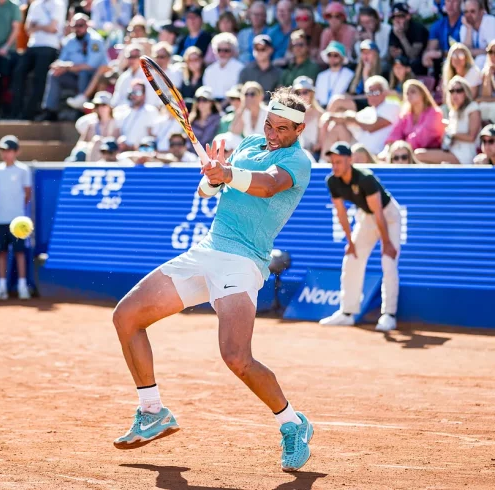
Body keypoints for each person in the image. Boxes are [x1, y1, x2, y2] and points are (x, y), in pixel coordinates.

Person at [111, 86, 314, 473]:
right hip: (207, 250)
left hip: (242, 262)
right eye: (269, 125)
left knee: (237, 358)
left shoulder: (297, 161)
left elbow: (268, 184)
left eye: (283, 129)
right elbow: (207, 192)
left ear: (299, 130)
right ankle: (152, 410)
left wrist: (228, 173)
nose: (273, 135)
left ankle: (292, 423)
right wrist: (213, 177)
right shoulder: (250, 143)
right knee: (126, 317)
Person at [321, 141, 401, 333]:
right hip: (367, 218)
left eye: (339, 161)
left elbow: (379, 213)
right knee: (351, 259)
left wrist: (386, 242)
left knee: (388, 262)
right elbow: (341, 213)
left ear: (349, 160)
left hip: (388, 216)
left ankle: (388, 315)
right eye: (332, 162)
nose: (335, 166)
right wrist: (350, 242)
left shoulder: (365, 178)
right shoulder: (332, 181)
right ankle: (347, 313)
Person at [0, 135, 32, 301]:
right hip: (1, 219)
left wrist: (17, 210)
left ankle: (22, 286)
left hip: (18, 221)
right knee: (1, 252)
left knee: (20, 252)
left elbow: (27, 193)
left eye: (9, 150)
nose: (5, 154)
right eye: (3, 151)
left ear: (16, 152)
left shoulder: (23, 170)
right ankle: (1, 287)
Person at [320, 75, 401, 157]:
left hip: (374, 155)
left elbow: (371, 127)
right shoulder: (368, 110)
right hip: (357, 150)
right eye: (369, 92)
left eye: (375, 92)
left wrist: (352, 119)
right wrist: (330, 117)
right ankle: (324, 160)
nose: (371, 95)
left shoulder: (392, 106)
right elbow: (348, 119)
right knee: (337, 127)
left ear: (385, 92)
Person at [45, 14, 107, 116]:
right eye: (75, 26)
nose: (78, 28)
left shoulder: (95, 40)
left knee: (83, 72)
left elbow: (91, 65)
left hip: (93, 77)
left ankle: (81, 108)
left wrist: (69, 67)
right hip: (73, 75)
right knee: (53, 74)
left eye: (81, 25)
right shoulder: (69, 41)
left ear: (87, 26)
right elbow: (62, 60)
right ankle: (50, 110)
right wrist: (58, 66)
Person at [14, 0, 66, 120]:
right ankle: (15, 110)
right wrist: (43, 26)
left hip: (50, 47)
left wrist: (37, 26)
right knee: (18, 72)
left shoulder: (58, 4)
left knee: (39, 78)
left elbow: (53, 28)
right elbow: (28, 28)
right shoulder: (35, 4)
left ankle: (31, 113)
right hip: (32, 46)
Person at [414, 76, 481, 164]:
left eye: (459, 90)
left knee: (419, 155)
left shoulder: (473, 107)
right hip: (451, 150)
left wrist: (451, 134)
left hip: (465, 154)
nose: (455, 94)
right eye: (451, 91)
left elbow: (471, 137)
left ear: (465, 92)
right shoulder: (453, 111)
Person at [384, 79, 444, 152]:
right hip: (407, 152)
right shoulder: (405, 115)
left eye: (413, 92)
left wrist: (401, 148)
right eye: (407, 93)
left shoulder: (435, 113)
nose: (409, 95)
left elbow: (423, 137)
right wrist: (389, 148)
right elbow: (395, 133)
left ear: (422, 94)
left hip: (429, 152)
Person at [422, 0, 462, 76]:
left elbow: (465, 51)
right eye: (448, 1)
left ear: (461, 2)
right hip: (443, 65)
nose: (450, 5)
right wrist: (426, 56)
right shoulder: (438, 25)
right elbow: (431, 50)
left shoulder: (466, 22)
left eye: (454, 1)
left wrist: (441, 54)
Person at [388, 2, 429, 76]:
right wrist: (394, 53)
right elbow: (392, 53)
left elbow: (413, 55)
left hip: (421, 63)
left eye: (400, 16)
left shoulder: (417, 29)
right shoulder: (393, 30)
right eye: (394, 17)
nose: (397, 20)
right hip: (403, 62)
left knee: (414, 63)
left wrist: (401, 37)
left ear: (408, 16)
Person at [202, 32, 244, 101]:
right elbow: (207, 92)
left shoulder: (240, 68)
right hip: (212, 105)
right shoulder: (209, 70)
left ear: (233, 51)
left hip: (232, 105)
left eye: (226, 50)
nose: (222, 53)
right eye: (219, 50)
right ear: (214, 51)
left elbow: (238, 91)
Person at [238, 34, 280, 99]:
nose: (259, 52)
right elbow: (239, 93)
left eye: (263, 49)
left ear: (270, 50)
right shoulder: (245, 71)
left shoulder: (278, 73)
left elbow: (279, 96)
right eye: (256, 49)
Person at [315, 41, 353, 107]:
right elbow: (317, 98)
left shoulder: (350, 74)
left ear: (342, 57)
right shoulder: (321, 76)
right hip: (321, 109)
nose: (332, 58)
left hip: (340, 109)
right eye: (329, 55)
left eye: (336, 55)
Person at [293, 76, 323, 156]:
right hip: (293, 153)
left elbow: (320, 143)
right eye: (298, 93)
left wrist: (315, 146)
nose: (302, 96)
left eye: (305, 92)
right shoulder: (289, 113)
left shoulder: (320, 114)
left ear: (311, 94)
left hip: (313, 155)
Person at [461, 0, 495, 69]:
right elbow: (464, 52)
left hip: (491, 64)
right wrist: (469, 29)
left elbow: (493, 51)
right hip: (475, 64)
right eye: (466, 12)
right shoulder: (465, 26)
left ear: (481, 12)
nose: (468, 15)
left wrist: (471, 51)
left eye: (472, 11)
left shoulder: (490, 21)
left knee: (481, 59)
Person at [188, 86, 222, 150]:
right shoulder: (190, 120)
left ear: (211, 102)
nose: (201, 103)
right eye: (198, 100)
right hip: (191, 156)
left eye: (204, 100)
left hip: (212, 155)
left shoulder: (219, 119)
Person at [266, 0, 294, 64]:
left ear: (291, 12)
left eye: (284, 11)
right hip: (274, 68)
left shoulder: (298, 29)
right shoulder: (272, 32)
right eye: (279, 10)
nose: (281, 13)